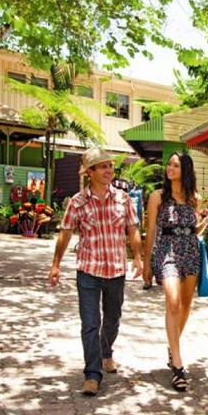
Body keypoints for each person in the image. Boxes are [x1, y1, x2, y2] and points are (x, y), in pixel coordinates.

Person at [48, 148, 143, 397]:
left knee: (112, 319)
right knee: (90, 323)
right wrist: (56, 264)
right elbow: (65, 233)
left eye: (110, 166)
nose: (108, 170)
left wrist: (140, 258)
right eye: (102, 167)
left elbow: (132, 229)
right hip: (88, 270)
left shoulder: (123, 199)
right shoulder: (77, 202)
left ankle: (106, 351)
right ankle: (92, 374)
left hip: (116, 269)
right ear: (90, 172)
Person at [143, 152, 208, 392]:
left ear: (185, 169)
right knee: (173, 302)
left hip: (190, 251)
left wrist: (207, 221)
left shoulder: (193, 197)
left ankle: (171, 345)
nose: (170, 168)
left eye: (175, 165)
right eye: (169, 164)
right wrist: (146, 264)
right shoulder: (157, 196)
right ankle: (177, 365)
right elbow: (152, 230)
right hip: (166, 251)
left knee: (186, 305)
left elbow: (193, 229)